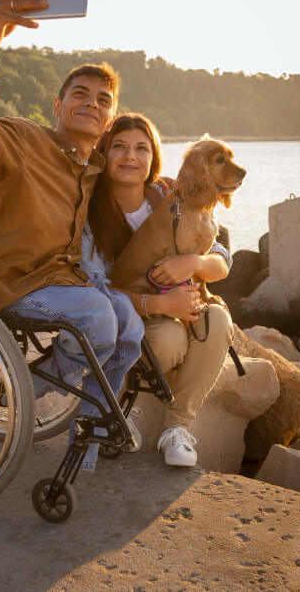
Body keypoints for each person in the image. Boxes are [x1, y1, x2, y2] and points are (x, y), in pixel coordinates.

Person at [0, 0, 143, 471]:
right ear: (57, 106)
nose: (91, 103)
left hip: (59, 282)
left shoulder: (93, 171)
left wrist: (166, 187)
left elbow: (137, 178)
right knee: (97, 315)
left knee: (130, 326)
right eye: (79, 93)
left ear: (109, 118)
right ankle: (32, 384)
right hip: (4, 280)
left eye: (102, 99)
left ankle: (88, 434)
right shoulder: (21, 139)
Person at [80, 113, 234, 467]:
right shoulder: (88, 212)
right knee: (170, 340)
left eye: (141, 148)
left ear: (154, 157)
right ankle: (117, 400)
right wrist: (158, 303)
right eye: (119, 147)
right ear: (105, 153)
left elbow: (222, 259)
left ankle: (177, 428)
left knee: (218, 321)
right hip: (125, 317)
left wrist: (192, 263)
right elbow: (91, 289)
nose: (130, 156)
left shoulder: (171, 196)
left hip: (180, 303)